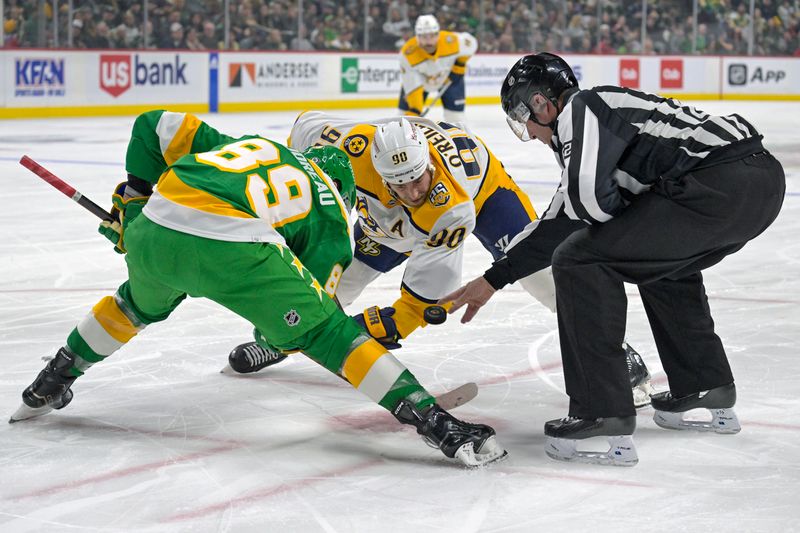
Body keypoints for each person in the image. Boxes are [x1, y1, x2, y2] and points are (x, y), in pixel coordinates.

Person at [10, 110, 507, 468]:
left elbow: (152, 125)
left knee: (133, 304)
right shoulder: (334, 218)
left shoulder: (262, 146)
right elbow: (294, 323)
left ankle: (50, 381)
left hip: (155, 227)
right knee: (328, 334)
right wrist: (290, 335)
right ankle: (432, 421)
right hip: (230, 249)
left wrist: (135, 205)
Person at [441, 53, 786, 466]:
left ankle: (601, 410)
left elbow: (582, 207)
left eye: (524, 119)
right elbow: (563, 215)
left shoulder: (582, 109)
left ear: (541, 104)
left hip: (717, 182)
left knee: (577, 260)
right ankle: (705, 384)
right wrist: (495, 278)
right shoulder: (601, 122)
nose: (530, 134)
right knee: (660, 260)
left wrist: (503, 273)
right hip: (758, 184)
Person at [236, 111, 654, 408]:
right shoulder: (351, 148)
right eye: (399, 183)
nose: (413, 190)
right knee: (333, 283)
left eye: (418, 178)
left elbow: (421, 302)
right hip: (386, 219)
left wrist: (369, 331)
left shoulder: (449, 207)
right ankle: (281, 341)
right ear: (378, 172)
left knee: (541, 275)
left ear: (428, 164)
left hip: (485, 195)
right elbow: (304, 127)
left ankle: (615, 349)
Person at [398, 15, 477, 123]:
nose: (429, 41)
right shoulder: (408, 54)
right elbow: (412, 84)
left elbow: (471, 44)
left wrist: (459, 66)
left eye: (432, 36)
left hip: (448, 77)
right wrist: (415, 108)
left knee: (456, 119)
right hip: (422, 81)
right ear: (417, 37)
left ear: (438, 34)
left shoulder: (451, 41)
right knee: (404, 117)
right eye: (424, 37)